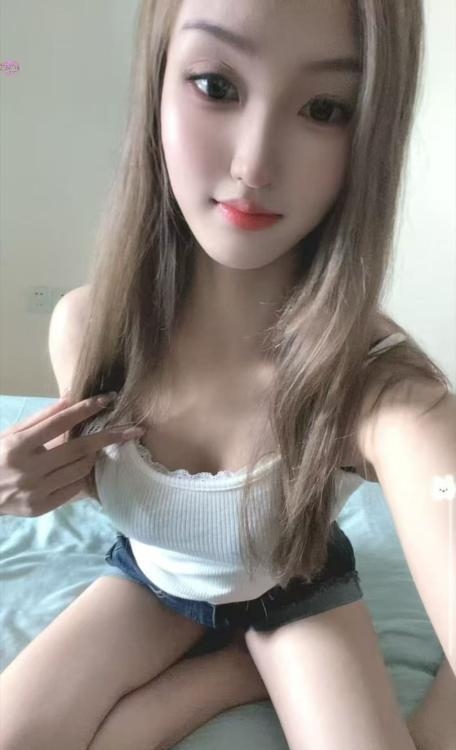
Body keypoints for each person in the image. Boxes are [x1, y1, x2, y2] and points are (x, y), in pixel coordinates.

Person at [1, 1, 455, 749]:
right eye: (216, 86)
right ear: (156, 82)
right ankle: (235, 670)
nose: (254, 165)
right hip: (153, 585)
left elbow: (443, 483)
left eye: (325, 109)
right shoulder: (87, 330)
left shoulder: (381, 391)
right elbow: (97, 479)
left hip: (298, 589)